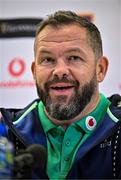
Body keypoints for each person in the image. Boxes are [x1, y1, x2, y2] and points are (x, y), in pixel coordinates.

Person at [0, 10, 121, 179]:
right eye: (48, 60)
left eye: (74, 57)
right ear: (34, 71)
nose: (59, 71)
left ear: (100, 69)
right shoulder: (4, 132)